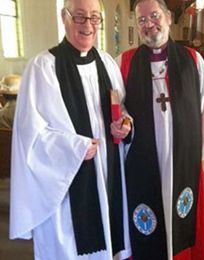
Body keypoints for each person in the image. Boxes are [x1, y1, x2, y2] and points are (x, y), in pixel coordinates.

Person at [9, 0, 132, 259]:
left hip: (108, 172)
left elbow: (122, 109)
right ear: (64, 17)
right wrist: (73, 148)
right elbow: (29, 136)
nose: (88, 25)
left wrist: (125, 126)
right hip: (66, 185)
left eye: (94, 18)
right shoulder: (42, 67)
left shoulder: (108, 63)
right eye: (79, 17)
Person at [116, 0, 204, 259]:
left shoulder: (192, 59)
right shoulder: (125, 62)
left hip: (183, 157)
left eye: (154, 16)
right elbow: (117, 105)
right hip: (142, 158)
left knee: (181, 213)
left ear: (167, 17)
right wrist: (124, 121)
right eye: (142, 20)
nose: (149, 24)